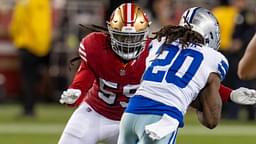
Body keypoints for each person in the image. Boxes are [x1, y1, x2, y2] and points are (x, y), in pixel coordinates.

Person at [58, 3, 256, 144]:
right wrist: (76, 90)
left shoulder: (155, 48)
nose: (128, 44)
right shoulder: (99, 47)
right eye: (122, 37)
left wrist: (229, 94)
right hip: (99, 112)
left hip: (128, 117)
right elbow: (192, 82)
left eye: (133, 37)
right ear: (110, 32)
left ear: (145, 34)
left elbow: (189, 79)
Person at [118, 7, 227, 144]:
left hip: (130, 114)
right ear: (210, 33)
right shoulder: (213, 58)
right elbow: (211, 120)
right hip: (162, 118)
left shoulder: (159, 42)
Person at [9, 0, 52, 116]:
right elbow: (44, 24)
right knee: (34, 78)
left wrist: (17, 38)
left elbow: (17, 23)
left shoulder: (25, 2)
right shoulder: (44, 2)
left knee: (28, 78)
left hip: (28, 44)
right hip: (41, 44)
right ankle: (30, 106)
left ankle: (29, 108)